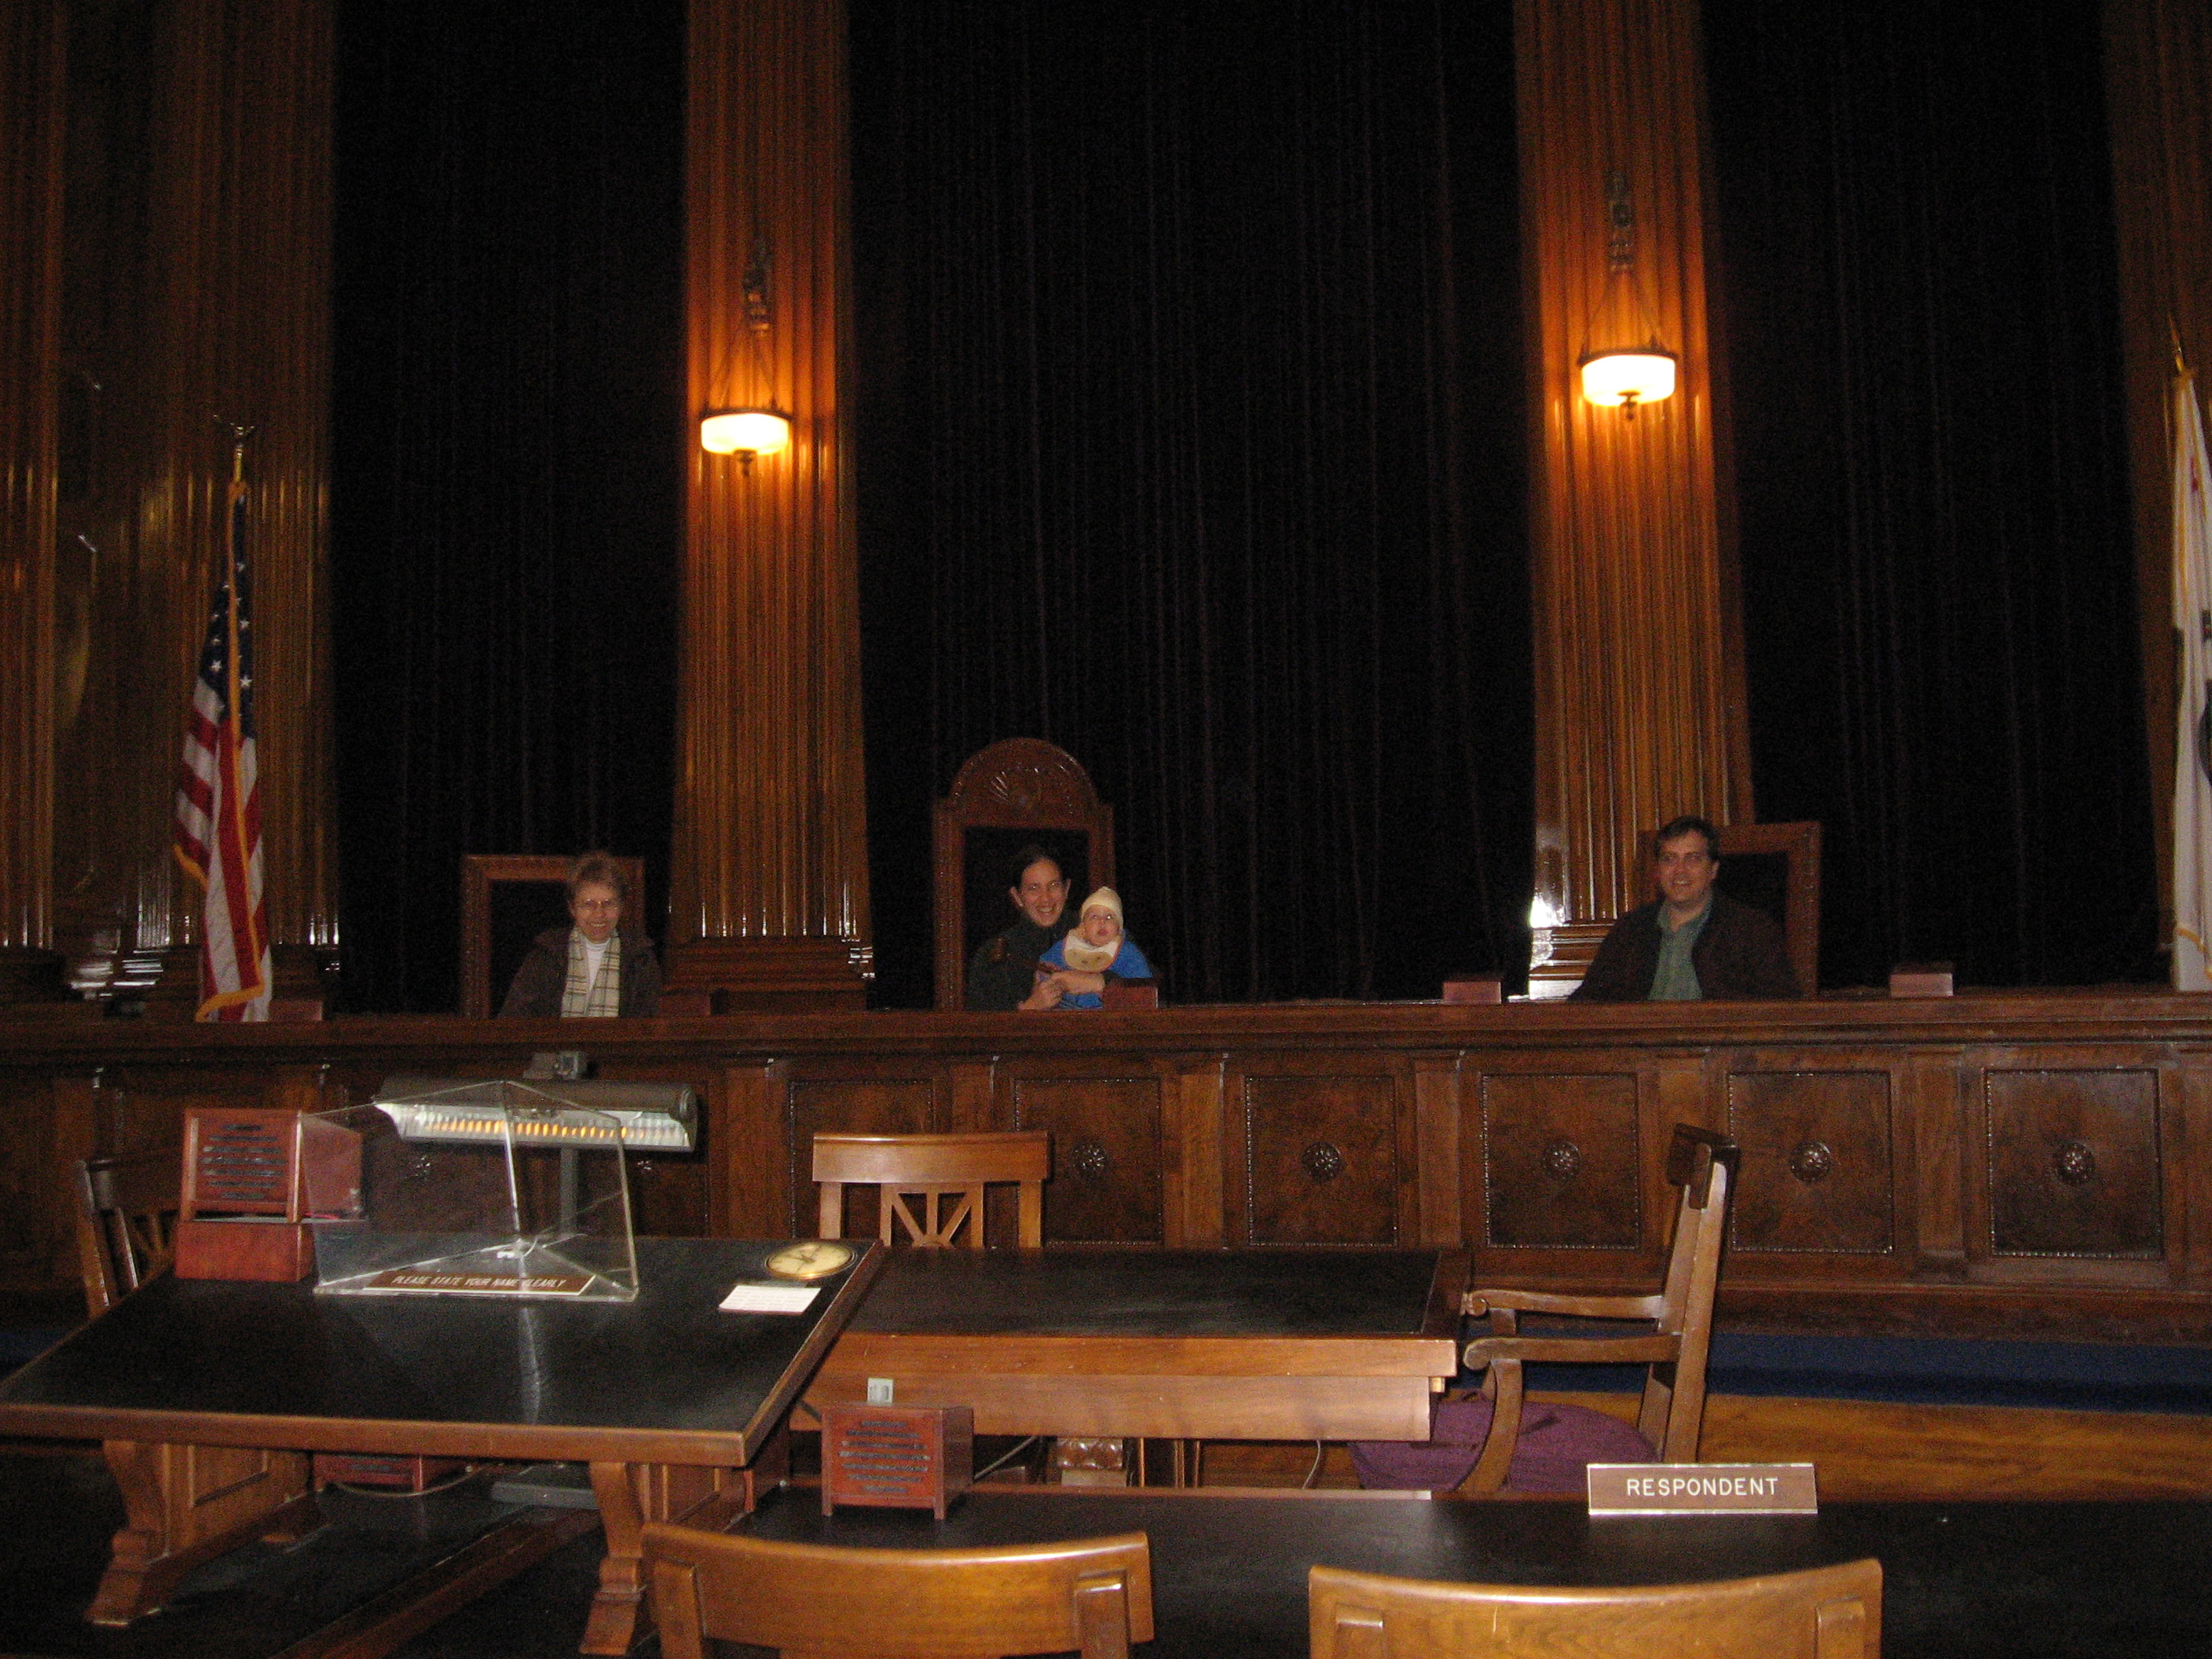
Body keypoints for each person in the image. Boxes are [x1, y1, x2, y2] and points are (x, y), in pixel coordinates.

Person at [1571, 815, 1799, 1002]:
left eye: (1693, 859)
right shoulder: (1630, 930)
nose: (1680, 871)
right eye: (1669, 859)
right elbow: (1586, 1003)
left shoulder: (1752, 930)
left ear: (1713, 870)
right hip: (1641, 1043)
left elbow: (1781, 1008)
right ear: (1658, 870)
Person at [497, 851, 663, 1017]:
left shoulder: (640, 960)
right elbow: (514, 1018)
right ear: (572, 908)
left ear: (620, 907)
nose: (599, 914)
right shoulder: (546, 956)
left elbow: (649, 1022)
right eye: (588, 904)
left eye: (608, 904)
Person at [965, 846, 1079, 1010]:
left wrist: (1094, 982)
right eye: (1034, 888)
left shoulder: (1100, 935)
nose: (1046, 899)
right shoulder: (993, 957)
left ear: (1066, 889)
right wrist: (1031, 1007)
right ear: (1017, 896)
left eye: (1054, 885)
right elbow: (981, 1023)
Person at [1031, 886, 1155, 1009]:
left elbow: (1146, 991)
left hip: (1110, 1016)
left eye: (1109, 917)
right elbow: (1044, 968)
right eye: (1094, 917)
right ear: (1083, 926)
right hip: (1068, 1014)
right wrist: (1048, 974)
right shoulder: (1065, 947)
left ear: (1119, 927)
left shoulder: (1128, 953)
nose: (1102, 922)